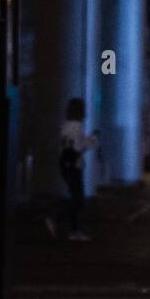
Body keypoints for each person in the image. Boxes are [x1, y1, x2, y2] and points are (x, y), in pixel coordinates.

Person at [58, 97, 98, 242]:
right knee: (78, 199)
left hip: (65, 163)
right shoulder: (77, 126)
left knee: (76, 198)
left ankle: (74, 230)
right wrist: (92, 139)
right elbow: (78, 147)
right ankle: (60, 220)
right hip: (74, 165)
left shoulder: (66, 125)